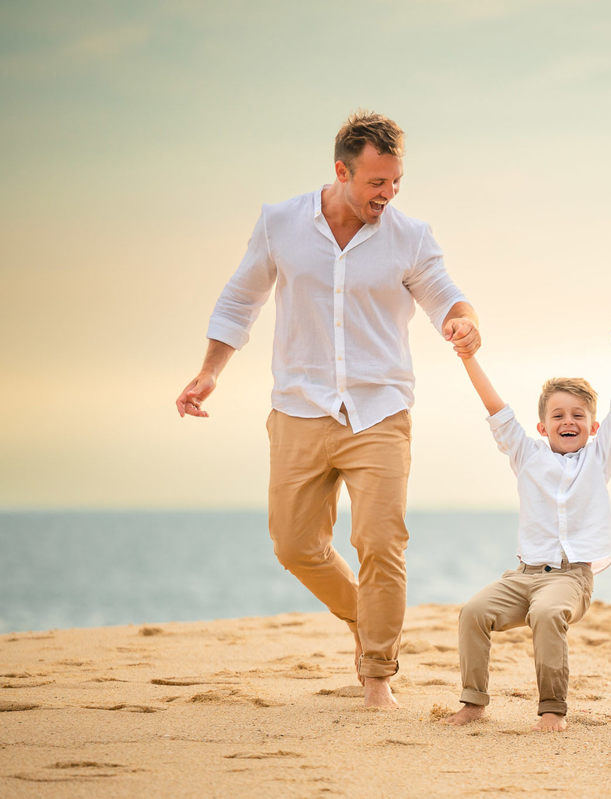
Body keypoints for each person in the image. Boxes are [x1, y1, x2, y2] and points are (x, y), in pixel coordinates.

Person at [174, 110, 480, 710]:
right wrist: (210, 372)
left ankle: (377, 676)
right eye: (376, 182)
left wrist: (463, 321)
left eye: (396, 182)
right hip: (299, 408)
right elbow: (240, 300)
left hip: (380, 411)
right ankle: (365, 617)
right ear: (341, 172)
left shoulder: (411, 236)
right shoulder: (280, 223)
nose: (388, 194)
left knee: (381, 543)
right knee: (294, 546)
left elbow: (447, 295)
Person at [442, 336, 611, 732]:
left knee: (546, 614)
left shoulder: (599, 457)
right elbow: (496, 409)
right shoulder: (526, 454)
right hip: (523, 575)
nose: (568, 422)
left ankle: (552, 710)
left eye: (578, 415)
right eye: (558, 415)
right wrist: (468, 357)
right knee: (474, 612)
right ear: (542, 426)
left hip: (570, 577)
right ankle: (473, 703)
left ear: (593, 426)